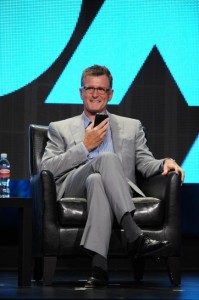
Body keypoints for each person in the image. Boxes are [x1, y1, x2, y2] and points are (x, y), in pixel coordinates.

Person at [41, 65, 185, 288]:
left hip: (114, 188)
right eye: (90, 88)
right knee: (106, 159)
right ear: (81, 92)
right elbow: (47, 167)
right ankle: (134, 235)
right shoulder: (59, 128)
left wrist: (164, 162)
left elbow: (144, 163)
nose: (95, 94)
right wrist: (84, 147)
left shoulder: (131, 126)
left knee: (97, 180)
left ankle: (99, 268)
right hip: (74, 186)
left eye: (101, 89)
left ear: (110, 94)